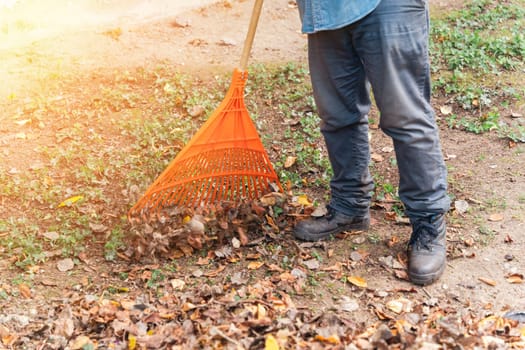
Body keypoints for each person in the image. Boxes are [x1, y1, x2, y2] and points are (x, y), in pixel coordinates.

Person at [293, 0, 451, 286]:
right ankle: (349, 205)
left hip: (386, 6)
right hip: (325, 11)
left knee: (405, 116)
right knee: (337, 114)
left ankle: (428, 223)